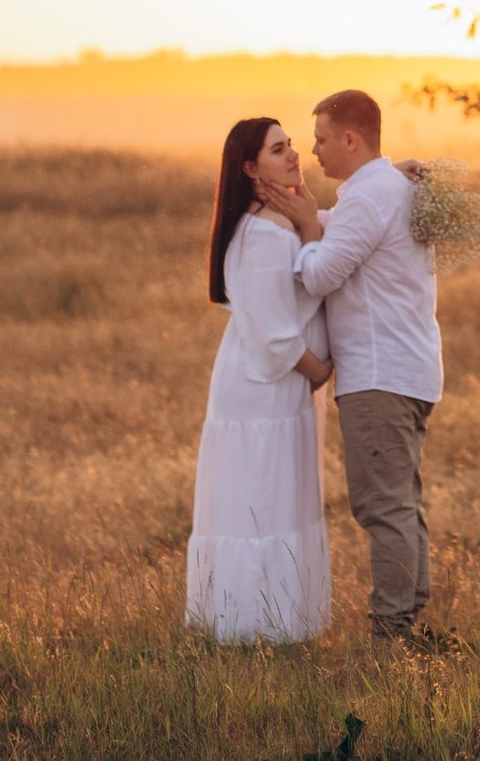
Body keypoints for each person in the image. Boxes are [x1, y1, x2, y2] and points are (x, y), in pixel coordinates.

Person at [254, 88, 443, 640]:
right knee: (401, 504)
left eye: (319, 139)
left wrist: (310, 229)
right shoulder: (383, 189)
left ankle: (391, 633)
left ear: (350, 139)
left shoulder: (371, 194)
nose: (311, 152)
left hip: (380, 376)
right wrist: (317, 217)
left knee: (383, 507)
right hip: (405, 370)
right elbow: (356, 233)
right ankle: (409, 623)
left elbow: (318, 275)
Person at [185, 117, 334, 644]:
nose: (293, 154)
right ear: (250, 168)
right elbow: (275, 331)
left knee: (265, 499)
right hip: (266, 384)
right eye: (278, 150)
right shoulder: (267, 234)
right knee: (262, 501)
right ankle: (256, 627)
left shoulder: (270, 224)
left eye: (291, 144)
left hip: (264, 380)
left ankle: (264, 623)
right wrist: (320, 370)